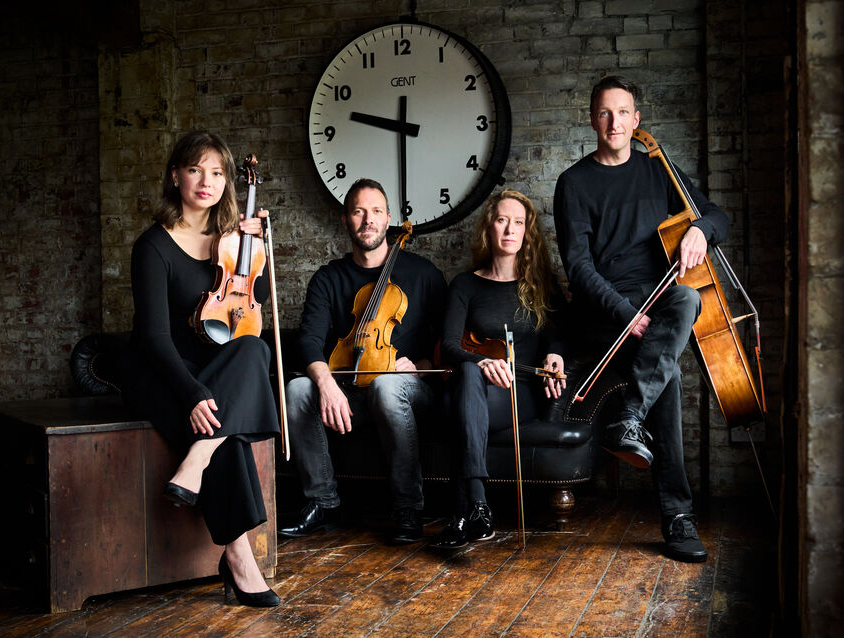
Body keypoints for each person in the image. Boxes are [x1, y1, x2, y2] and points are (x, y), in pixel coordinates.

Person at [553, 76, 730, 563]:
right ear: (593, 120)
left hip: (658, 306)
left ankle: (630, 415)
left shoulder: (660, 170)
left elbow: (719, 216)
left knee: (687, 298)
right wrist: (626, 314)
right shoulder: (574, 183)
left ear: (637, 119)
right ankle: (678, 517)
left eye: (623, 113)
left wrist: (700, 230)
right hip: (603, 314)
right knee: (667, 375)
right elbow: (578, 268)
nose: (614, 122)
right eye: (604, 113)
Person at [121, 131, 281, 607]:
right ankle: (240, 560)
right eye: (195, 170)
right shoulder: (152, 246)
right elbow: (153, 338)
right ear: (176, 176)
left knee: (254, 349)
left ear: (227, 181)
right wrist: (192, 392)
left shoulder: (232, 241)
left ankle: (198, 458)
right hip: (160, 371)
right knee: (222, 423)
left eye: (216, 172)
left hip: (212, 365)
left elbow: (251, 309)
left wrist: (256, 252)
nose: (206, 181)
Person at [279, 178, 447, 544]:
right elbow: (308, 341)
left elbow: (448, 340)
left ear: (388, 219)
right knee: (297, 390)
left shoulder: (424, 274)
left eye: (375, 211)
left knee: (387, 385)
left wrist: (420, 366)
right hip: (348, 387)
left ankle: (408, 507)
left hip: (407, 391)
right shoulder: (328, 278)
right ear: (345, 220)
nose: (368, 220)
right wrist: (326, 383)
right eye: (358, 211)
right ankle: (323, 503)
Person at [430, 189, 566, 549]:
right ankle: (478, 505)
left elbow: (559, 335)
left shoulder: (542, 285)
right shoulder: (465, 285)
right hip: (471, 390)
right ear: (488, 227)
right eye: (502, 220)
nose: (510, 229)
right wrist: (483, 361)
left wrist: (555, 355)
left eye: (518, 222)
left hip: (519, 395)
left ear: (527, 232)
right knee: (468, 376)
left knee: (461, 405)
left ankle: (461, 515)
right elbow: (449, 346)